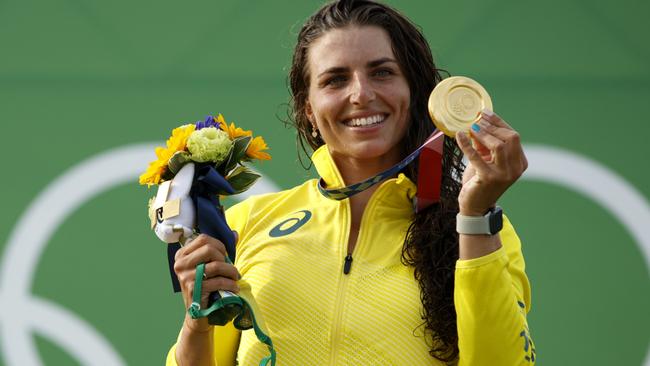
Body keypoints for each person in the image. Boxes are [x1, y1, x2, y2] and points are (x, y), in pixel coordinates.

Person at [167, 0, 534, 365]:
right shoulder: (246, 224)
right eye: (335, 80)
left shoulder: (477, 229)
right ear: (309, 110)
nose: (361, 94)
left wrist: (474, 218)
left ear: (416, 93)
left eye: (382, 73)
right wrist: (197, 324)